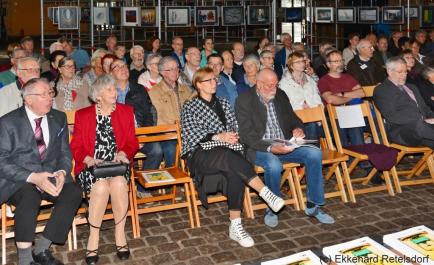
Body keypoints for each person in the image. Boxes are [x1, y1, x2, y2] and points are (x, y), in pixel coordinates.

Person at [181, 67, 284, 247]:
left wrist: (233, 136)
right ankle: (265, 192)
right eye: (209, 80)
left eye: (215, 80)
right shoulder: (190, 106)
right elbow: (191, 133)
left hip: (228, 152)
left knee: (234, 167)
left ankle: (235, 226)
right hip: (201, 154)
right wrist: (218, 136)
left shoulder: (224, 102)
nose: (214, 83)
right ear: (198, 85)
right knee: (231, 157)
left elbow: (235, 126)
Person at [235, 69, 335, 227]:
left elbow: (294, 119)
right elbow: (246, 136)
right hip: (259, 148)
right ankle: (272, 207)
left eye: (275, 85)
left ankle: (313, 205)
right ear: (258, 84)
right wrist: (271, 148)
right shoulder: (244, 100)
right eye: (269, 85)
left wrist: (297, 128)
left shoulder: (280, 95)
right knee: (274, 164)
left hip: (285, 144)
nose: (273, 89)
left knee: (315, 153)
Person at [0, 78, 82, 265]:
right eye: (43, 94)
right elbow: (1, 161)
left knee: (74, 192)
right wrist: (33, 177)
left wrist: (62, 172)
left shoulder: (58, 117)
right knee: (30, 196)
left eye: (50, 93)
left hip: (50, 174)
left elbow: (64, 152)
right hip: (19, 179)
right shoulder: (7, 123)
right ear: (28, 99)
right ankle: (25, 258)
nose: (49, 98)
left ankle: (42, 248)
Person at [70, 74, 139, 264]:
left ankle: (120, 235)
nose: (114, 92)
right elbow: (76, 146)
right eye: (109, 89)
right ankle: (93, 237)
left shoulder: (126, 111)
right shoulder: (83, 115)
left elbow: (133, 142)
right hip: (92, 167)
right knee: (100, 187)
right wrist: (87, 159)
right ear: (98, 95)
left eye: (115, 89)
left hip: (118, 164)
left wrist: (124, 153)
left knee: (118, 184)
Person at [374, 57, 434, 150]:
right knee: (419, 126)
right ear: (389, 72)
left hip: (424, 131)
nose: (404, 75)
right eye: (400, 72)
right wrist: (421, 120)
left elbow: (425, 109)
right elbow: (392, 116)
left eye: (405, 72)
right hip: (402, 131)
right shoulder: (382, 90)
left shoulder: (412, 87)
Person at [148, 56, 197, 167]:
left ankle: (194, 178)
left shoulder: (185, 89)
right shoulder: (154, 92)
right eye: (171, 69)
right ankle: (173, 180)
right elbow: (159, 118)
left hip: (187, 132)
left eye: (177, 68)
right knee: (171, 149)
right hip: (167, 134)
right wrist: (178, 129)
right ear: (163, 72)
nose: (176, 71)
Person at [317, 50, 365, 147]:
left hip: (352, 113)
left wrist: (342, 94)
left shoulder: (348, 77)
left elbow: (362, 93)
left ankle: (360, 157)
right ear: (328, 64)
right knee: (351, 123)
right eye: (336, 61)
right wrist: (351, 98)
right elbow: (330, 100)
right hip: (333, 116)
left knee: (356, 121)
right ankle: (351, 158)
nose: (340, 64)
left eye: (341, 60)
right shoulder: (324, 81)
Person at [279, 52, 323, 140]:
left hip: (313, 115)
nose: (302, 64)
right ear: (291, 65)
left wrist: (317, 111)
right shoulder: (284, 83)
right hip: (296, 117)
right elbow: (285, 105)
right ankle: (313, 150)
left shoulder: (310, 80)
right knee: (311, 125)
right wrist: (303, 109)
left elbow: (317, 99)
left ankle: (315, 149)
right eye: (298, 62)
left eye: (303, 61)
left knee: (317, 124)